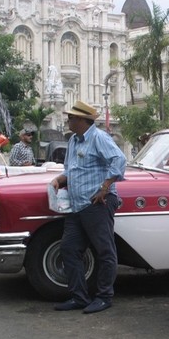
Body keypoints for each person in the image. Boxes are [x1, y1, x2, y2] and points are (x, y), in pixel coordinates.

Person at [50, 100, 126, 313]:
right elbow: (72, 170)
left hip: (97, 203)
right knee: (69, 248)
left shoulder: (98, 137)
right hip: (78, 206)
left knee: (104, 250)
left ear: (83, 120)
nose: (68, 121)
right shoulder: (74, 140)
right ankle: (79, 297)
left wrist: (105, 187)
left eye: (71, 118)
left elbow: (119, 160)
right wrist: (59, 180)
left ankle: (104, 296)